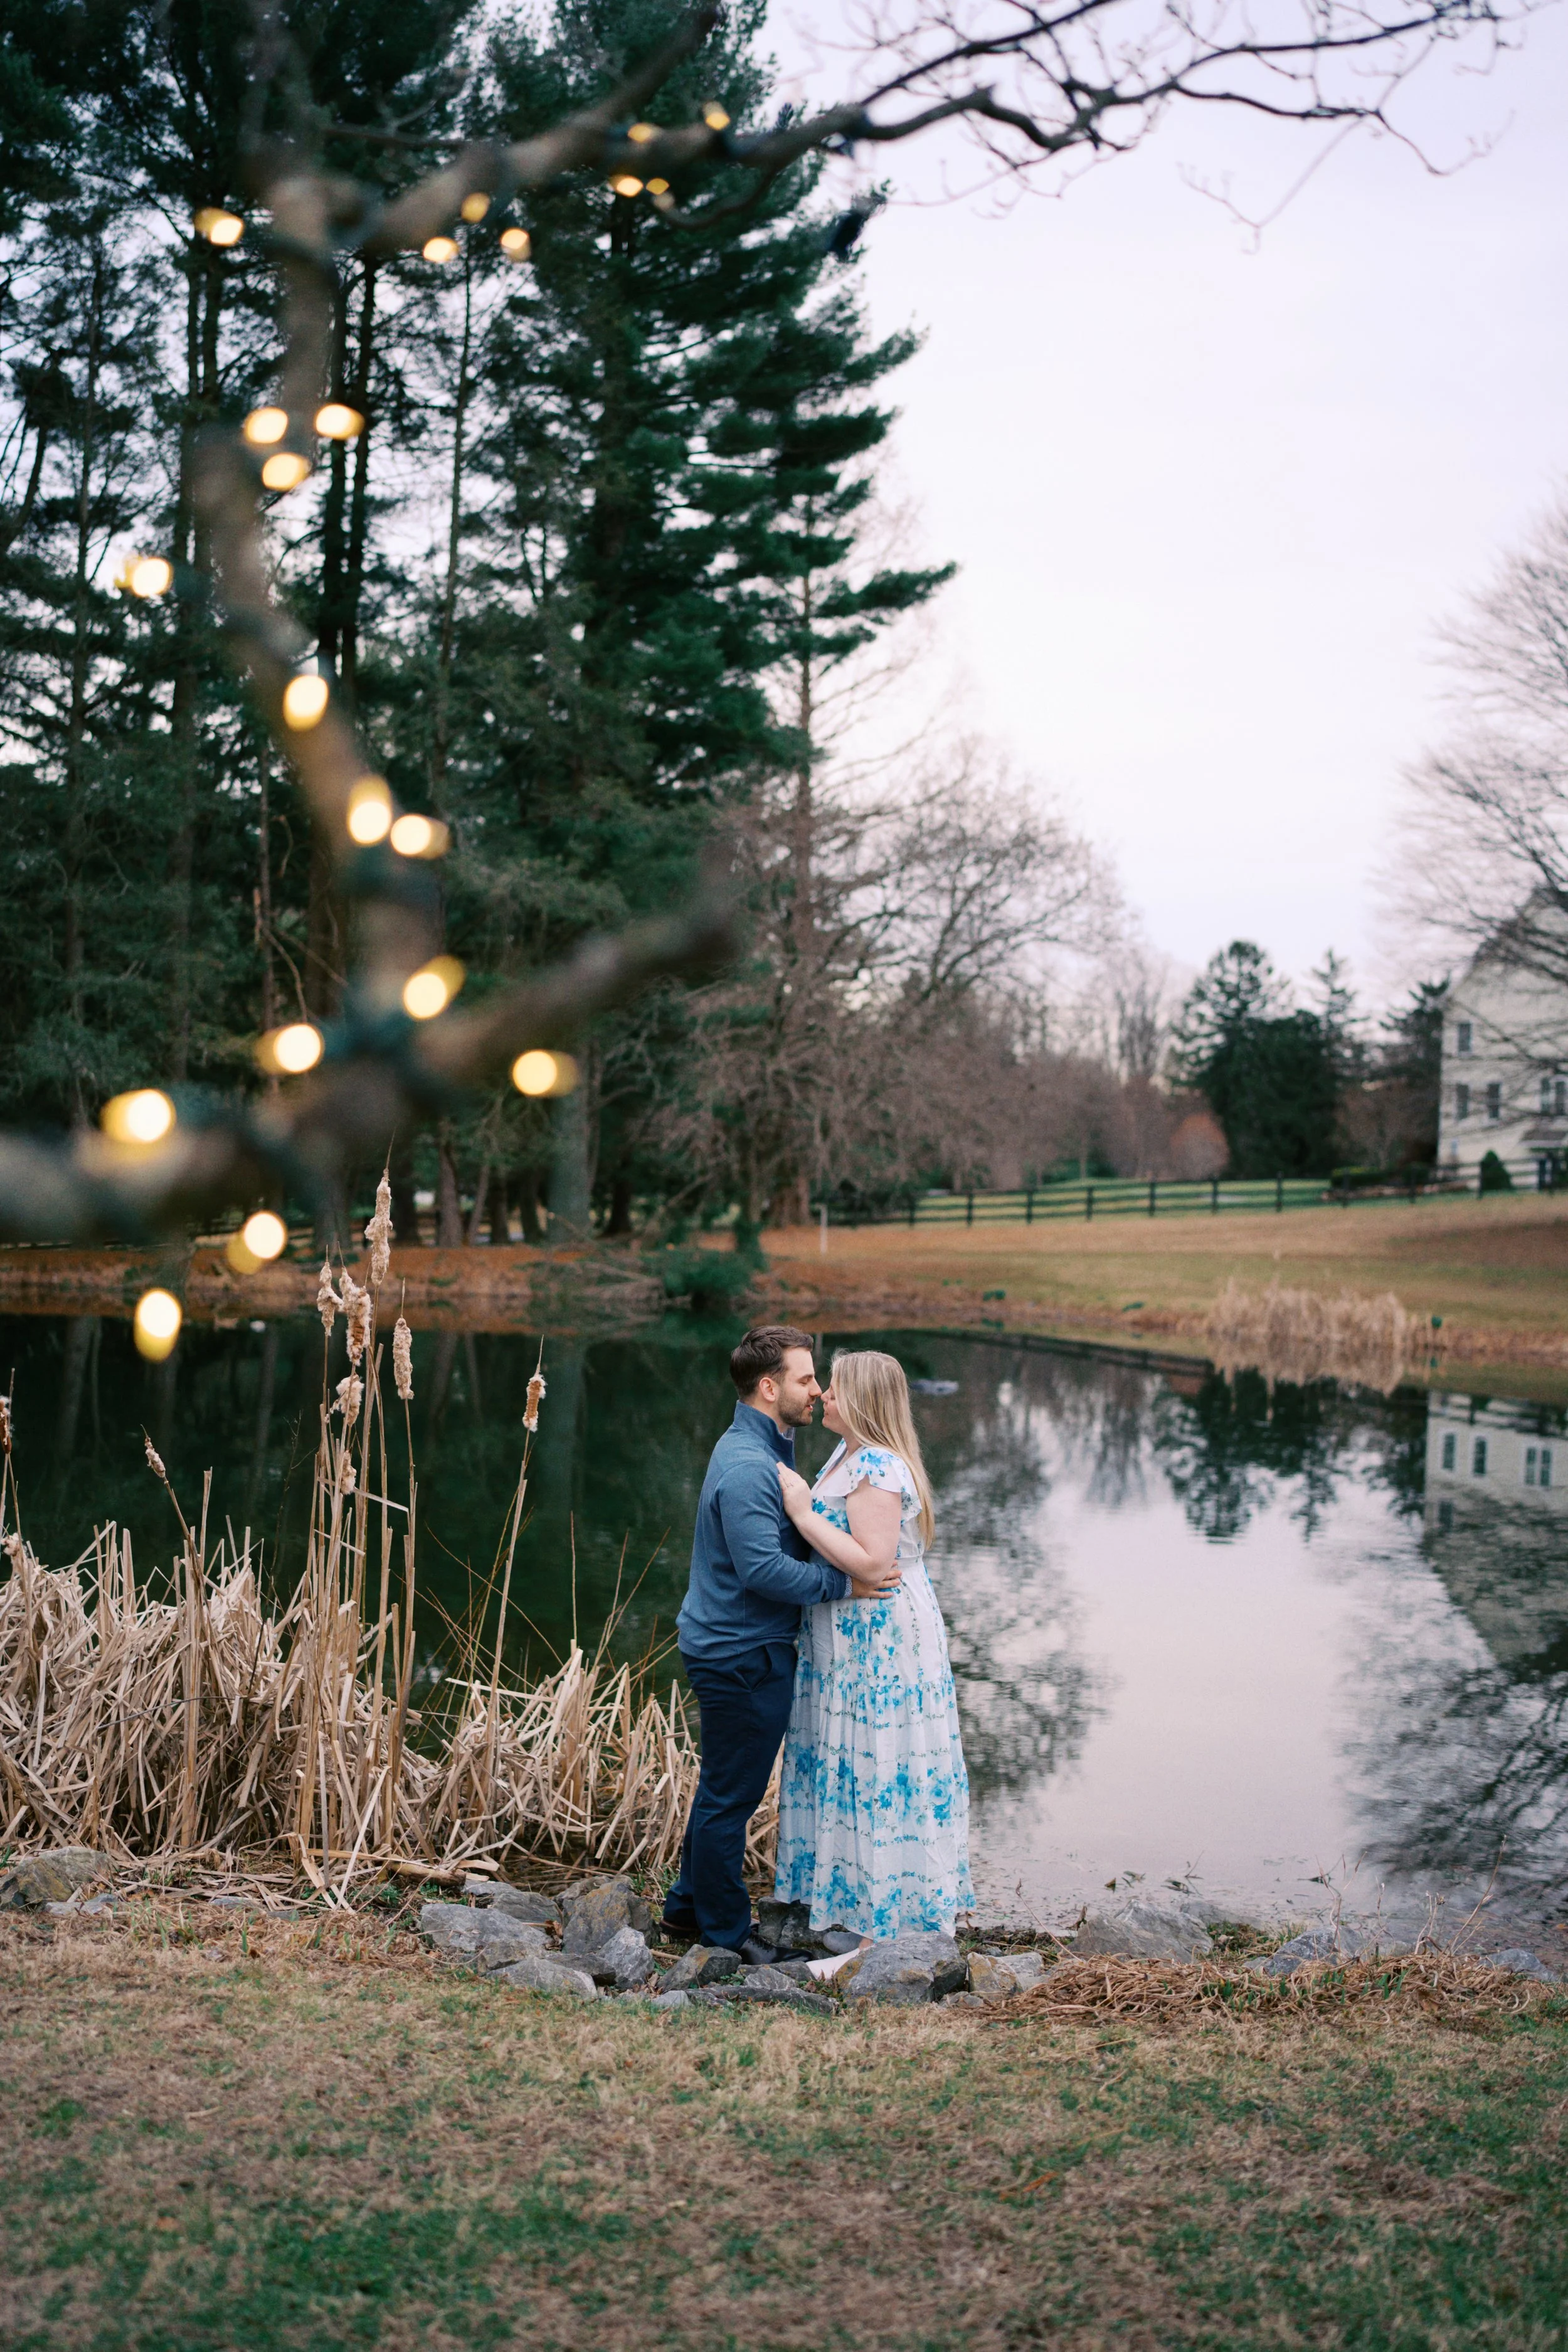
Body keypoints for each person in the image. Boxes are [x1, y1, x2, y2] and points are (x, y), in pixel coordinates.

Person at [664, 1325, 904, 1957]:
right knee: (731, 1797)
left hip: (740, 1644)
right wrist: (843, 1585)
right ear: (768, 1388)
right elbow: (762, 1571)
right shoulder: (749, 1465)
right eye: (804, 1379)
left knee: (721, 1784)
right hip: (740, 1653)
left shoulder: (765, 1443)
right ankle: (724, 1934)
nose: (817, 1389)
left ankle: (685, 1908)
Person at [774, 1348, 974, 1940]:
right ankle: (840, 1899)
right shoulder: (848, 1454)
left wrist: (803, 1514)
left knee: (879, 1752)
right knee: (842, 1749)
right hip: (845, 1627)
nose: (823, 1397)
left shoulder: (880, 1468)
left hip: (880, 1635)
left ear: (861, 1400)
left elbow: (874, 1561)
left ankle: (893, 1908)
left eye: (834, 1389)